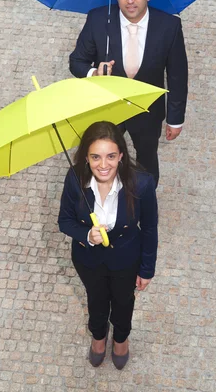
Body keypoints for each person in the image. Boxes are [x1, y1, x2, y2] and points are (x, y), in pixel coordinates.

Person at [69, 0, 188, 186]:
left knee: (147, 161)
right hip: (108, 107)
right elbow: (76, 61)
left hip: (148, 110)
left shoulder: (169, 26)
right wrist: (94, 72)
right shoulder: (98, 19)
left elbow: (177, 75)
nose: (130, 1)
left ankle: (145, 202)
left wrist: (175, 119)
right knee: (101, 158)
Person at [58, 121, 158, 369]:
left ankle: (121, 338)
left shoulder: (142, 184)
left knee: (124, 301)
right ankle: (98, 335)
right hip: (88, 259)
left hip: (126, 258)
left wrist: (147, 269)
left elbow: (149, 228)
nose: (103, 165)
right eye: (96, 157)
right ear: (86, 158)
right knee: (96, 299)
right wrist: (86, 235)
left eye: (111, 156)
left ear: (121, 156)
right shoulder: (75, 179)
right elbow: (64, 221)